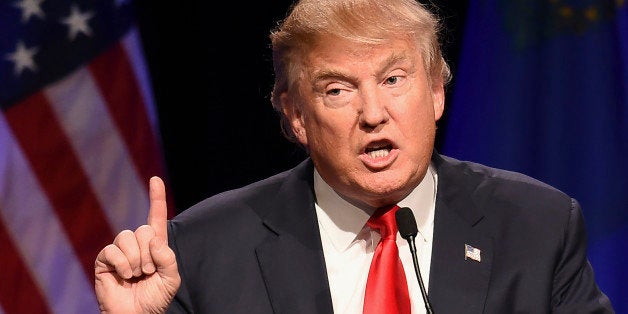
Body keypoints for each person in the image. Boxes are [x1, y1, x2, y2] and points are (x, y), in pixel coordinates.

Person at [94, 0, 614, 312]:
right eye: (338, 90)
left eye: (393, 79)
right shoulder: (207, 250)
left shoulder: (535, 228)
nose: (373, 113)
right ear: (295, 115)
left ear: (437, 90)